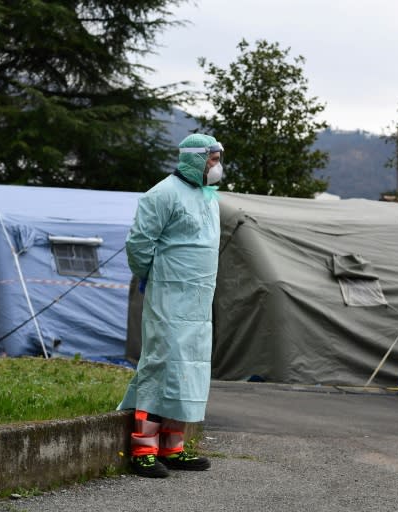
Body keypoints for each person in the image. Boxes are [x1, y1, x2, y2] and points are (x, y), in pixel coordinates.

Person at [118, 133, 224, 477]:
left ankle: (172, 447)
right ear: (195, 158)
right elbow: (139, 243)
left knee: (188, 370)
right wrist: (151, 276)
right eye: (212, 158)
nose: (217, 165)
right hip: (168, 296)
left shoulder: (208, 197)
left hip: (198, 300)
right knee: (161, 364)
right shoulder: (161, 194)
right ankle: (143, 450)